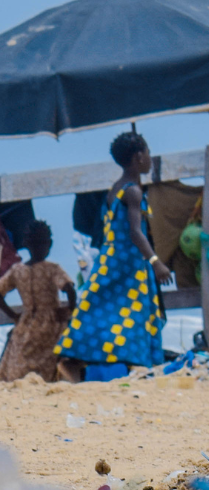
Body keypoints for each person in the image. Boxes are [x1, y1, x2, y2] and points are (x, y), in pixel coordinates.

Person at [54, 129, 172, 382]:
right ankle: (134, 368)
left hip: (109, 263)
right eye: (149, 153)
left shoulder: (114, 190)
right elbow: (135, 233)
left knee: (99, 312)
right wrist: (156, 262)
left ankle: (73, 359)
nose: (150, 158)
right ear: (138, 156)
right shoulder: (133, 192)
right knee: (132, 315)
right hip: (129, 265)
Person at [0, 220, 76, 382]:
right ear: (49, 244)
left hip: (26, 322)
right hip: (51, 322)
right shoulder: (52, 268)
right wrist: (70, 311)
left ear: (26, 244)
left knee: (21, 361)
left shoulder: (18, 270)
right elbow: (69, 289)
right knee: (52, 359)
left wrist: (14, 315)